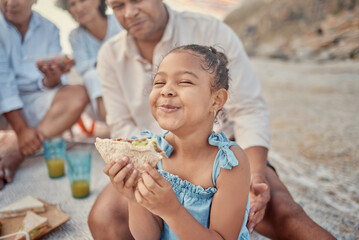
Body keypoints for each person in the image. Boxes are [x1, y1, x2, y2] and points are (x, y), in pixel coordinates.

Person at [88, 0, 335, 239]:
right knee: (103, 218)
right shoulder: (109, 55)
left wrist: (256, 174)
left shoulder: (210, 29)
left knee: (284, 212)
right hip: (157, 151)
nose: (129, 13)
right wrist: (137, 188)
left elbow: (249, 108)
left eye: (136, 0)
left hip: (220, 146)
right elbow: (121, 125)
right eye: (118, 6)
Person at [104, 44, 251, 239]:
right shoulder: (151, 153)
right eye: (159, 83)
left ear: (215, 100)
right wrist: (134, 198)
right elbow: (148, 237)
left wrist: (172, 211)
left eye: (184, 82)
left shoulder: (229, 163)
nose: (166, 91)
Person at [0, 0, 89, 189]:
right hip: (3, 104)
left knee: (78, 93)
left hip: (36, 101)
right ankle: (25, 139)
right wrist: (21, 129)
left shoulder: (50, 28)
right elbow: (4, 83)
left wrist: (52, 78)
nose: (9, 3)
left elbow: (51, 85)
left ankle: (19, 151)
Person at [56, 0, 123, 121]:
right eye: (72, 4)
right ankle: (114, 125)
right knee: (91, 76)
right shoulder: (75, 36)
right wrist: (103, 62)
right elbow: (82, 67)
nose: (78, 8)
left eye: (82, 0)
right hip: (99, 88)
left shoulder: (118, 21)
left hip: (126, 75)